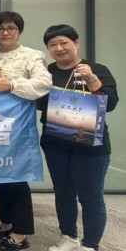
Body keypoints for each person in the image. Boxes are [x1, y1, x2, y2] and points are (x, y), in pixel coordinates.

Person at [38, 25, 118, 251]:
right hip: (56, 144)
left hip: (90, 147)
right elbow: (38, 103)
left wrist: (91, 79)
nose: (59, 48)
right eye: (52, 45)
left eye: (64, 43)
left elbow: (110, 104)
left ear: (76, 43)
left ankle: (90, 244)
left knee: (91, 197)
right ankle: (68, 237)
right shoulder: (46, 72)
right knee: (63, 194)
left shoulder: (96, 69)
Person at [0, 11, 52, 251]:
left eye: (11, 28)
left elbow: (44, 83)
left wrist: (12, 84)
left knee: (16, 177)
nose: (5, 32)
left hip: (18, 128)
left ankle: (20, 233)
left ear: (19, 31)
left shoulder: (32, 56)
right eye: (0, 28)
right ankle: (6, 224)